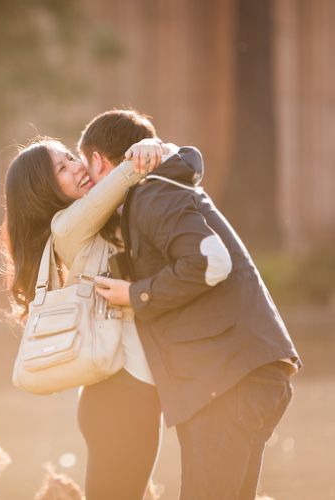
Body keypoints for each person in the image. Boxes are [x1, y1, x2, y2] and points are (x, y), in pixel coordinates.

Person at [86, 109, 301, 500]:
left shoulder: (152, 194)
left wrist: (137, 295)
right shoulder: (157, 193)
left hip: (228, 380)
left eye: (88, 171)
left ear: (99, 161)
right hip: (244, 374)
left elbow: (209, 262)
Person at [0, 132, 174, 499]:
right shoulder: (68, 228)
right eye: (63, 168)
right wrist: (144, 154)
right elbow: (120, 182)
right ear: (43, 191)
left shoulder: (100, 223)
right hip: (119, 395)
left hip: (128, 393)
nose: (78, 167)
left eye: (70, 157)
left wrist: (161, 153)